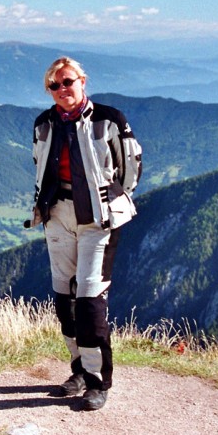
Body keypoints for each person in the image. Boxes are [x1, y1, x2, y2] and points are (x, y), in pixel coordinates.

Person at [29, 56, 142, 411]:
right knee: (66, 300)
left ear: (83, 81)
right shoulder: (44, 123)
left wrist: (116, 197)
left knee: (91, 300)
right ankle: (78, 371)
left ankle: (98, 381)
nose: (63, 90)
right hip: (58, 215)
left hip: (99, 219)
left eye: (68, 81)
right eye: (55, 85)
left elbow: (131, 166)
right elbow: (39, 165)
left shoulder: (109, 120)